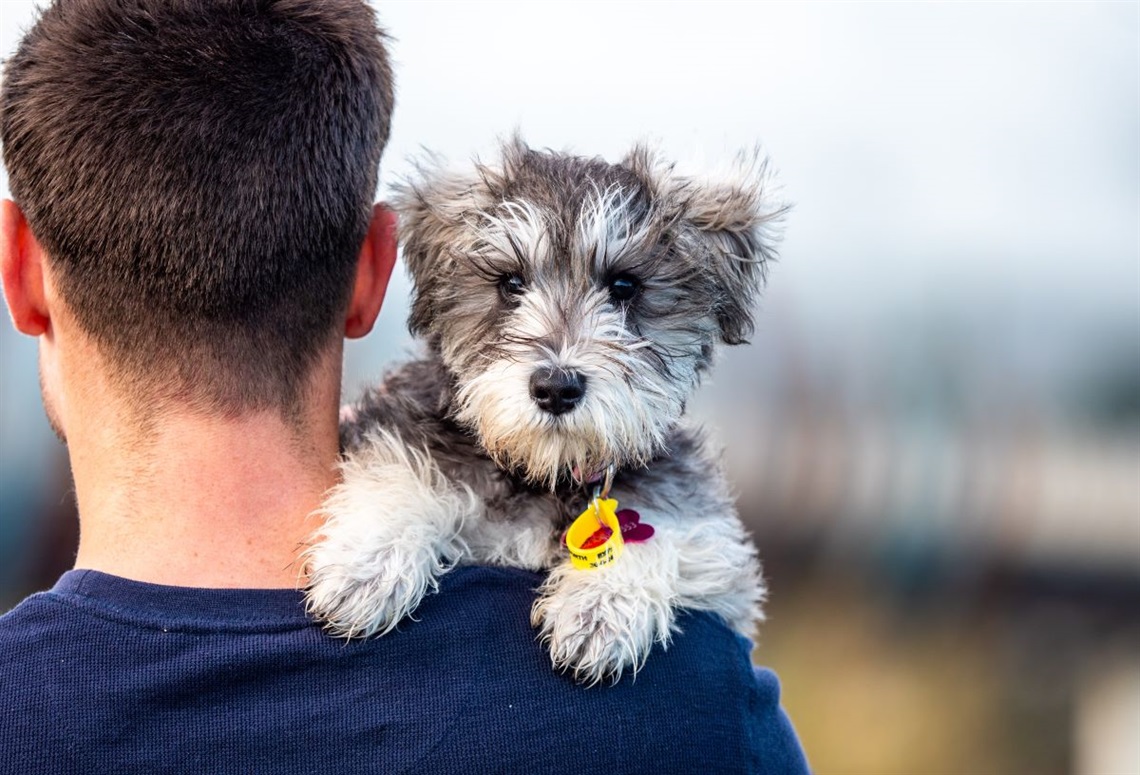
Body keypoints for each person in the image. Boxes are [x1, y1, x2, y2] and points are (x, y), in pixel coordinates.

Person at [0, 1, 809, 772]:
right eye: (513, 288)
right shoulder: (705, 712)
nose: (561, 350)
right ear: (378, 270)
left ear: (19, 270)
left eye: (623, 294)